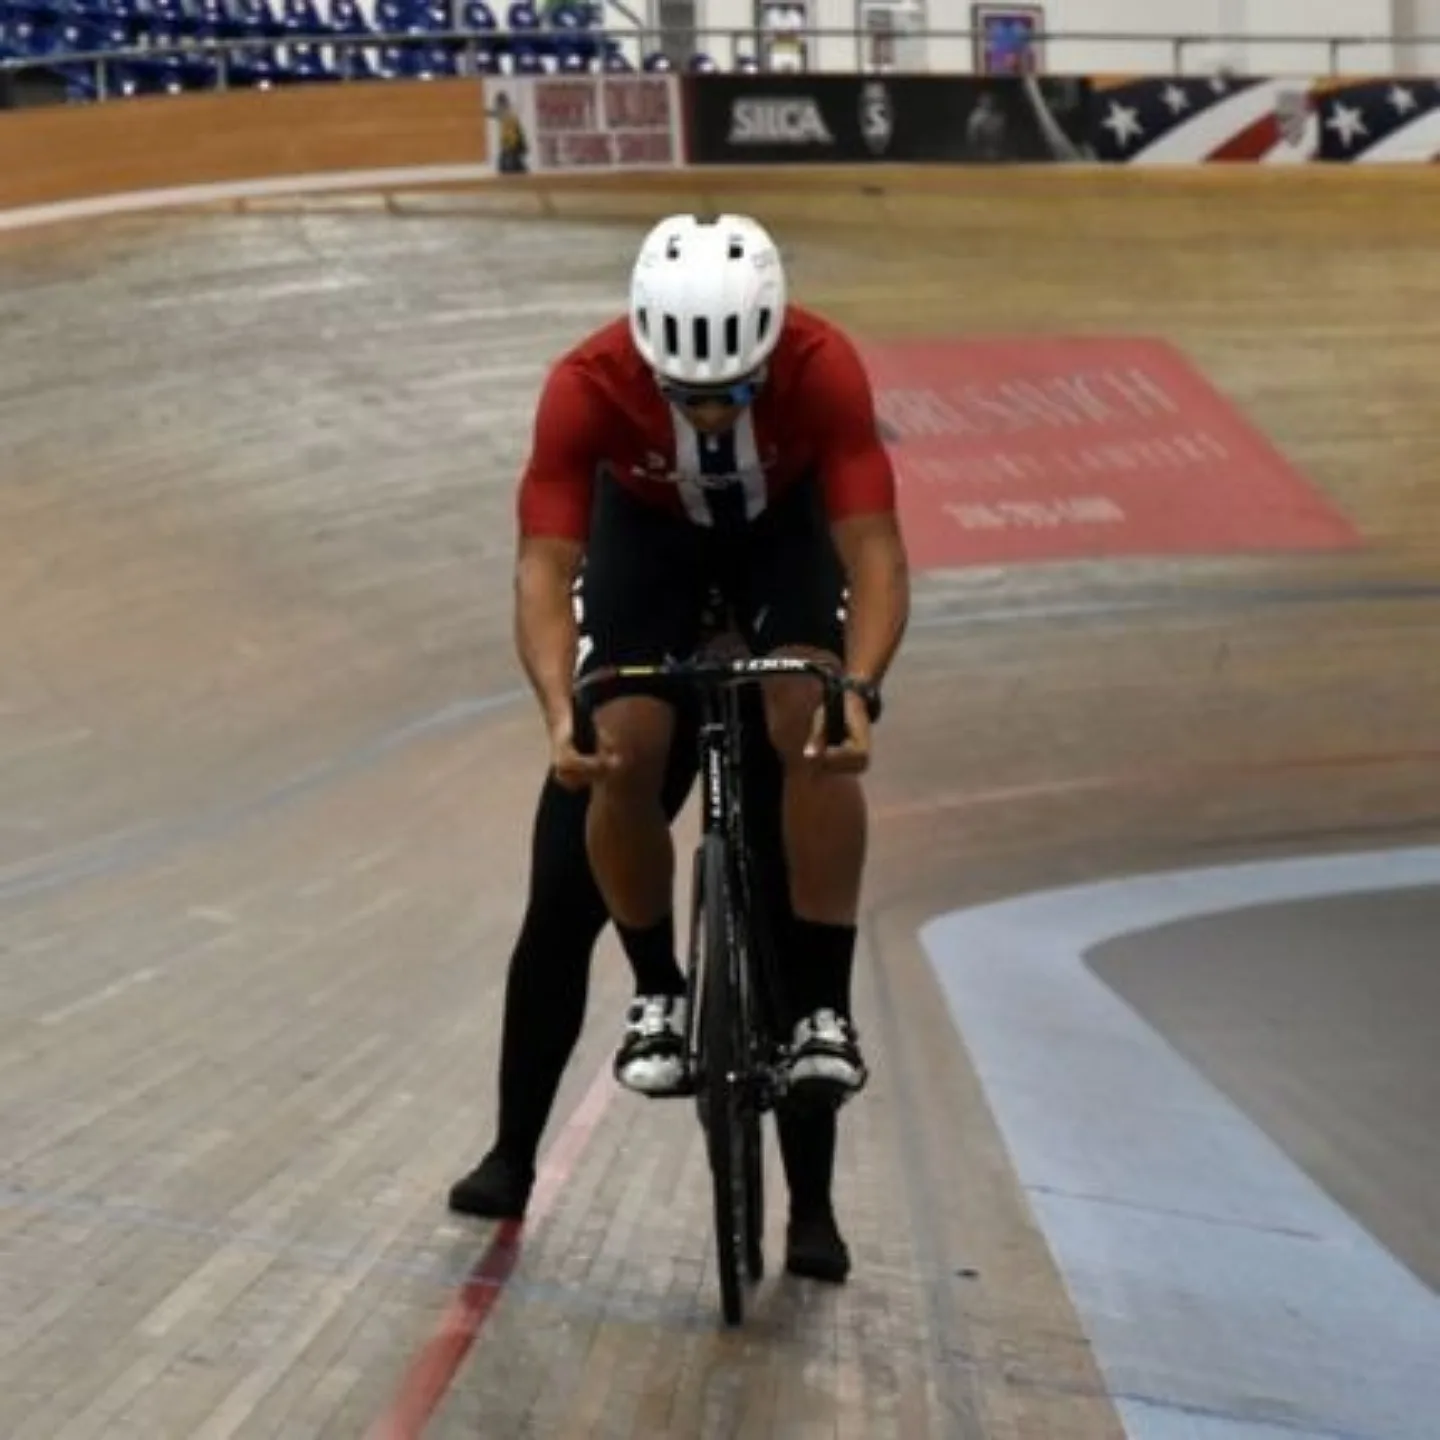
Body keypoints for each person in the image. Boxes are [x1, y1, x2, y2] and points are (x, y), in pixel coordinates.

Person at [511, 211, 911, 1110]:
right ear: (646, 354)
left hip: (781, 532)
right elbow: (543, 563)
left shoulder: (823, 366)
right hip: (648, 540)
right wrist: (554, 708)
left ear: (772, 348)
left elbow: (875, 548)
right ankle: (657, 990)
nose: (709, 409)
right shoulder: (585, 384)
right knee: (620, 744)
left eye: (734, 389)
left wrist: (861, 686)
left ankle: (820, 1009)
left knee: (809, 721)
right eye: (686, 393)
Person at [447, 668, 856, 1281]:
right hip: (646, 651)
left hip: (764, 658)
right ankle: (511, 1155)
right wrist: (567, 714)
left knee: (789, 906)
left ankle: (812, 1208)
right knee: (562, 898)